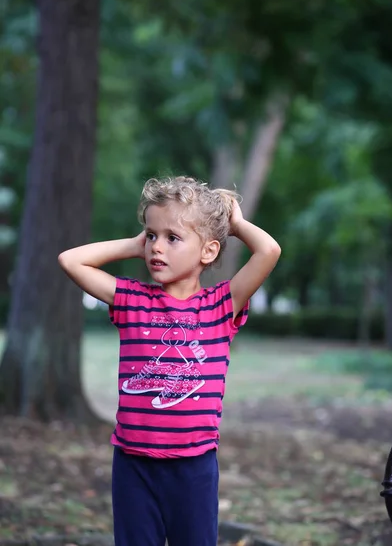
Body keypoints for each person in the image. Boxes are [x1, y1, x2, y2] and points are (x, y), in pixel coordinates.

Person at [58, 175, 281, 546]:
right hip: (133, 465)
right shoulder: (131, 299)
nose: (156, 247)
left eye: (172, 238)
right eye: (151, 236)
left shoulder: (220, 305)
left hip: (194, 467)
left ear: (207, 252)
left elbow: (269, 251)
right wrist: (134, 244)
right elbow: (71, 260)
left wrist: (237, 225)